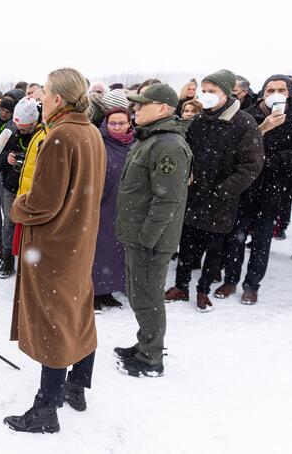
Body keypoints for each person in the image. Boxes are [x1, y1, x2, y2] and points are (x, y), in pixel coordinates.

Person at [5, 68, 106, 434]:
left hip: (55, 244)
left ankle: (46, 409)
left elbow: (43, 203)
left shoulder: (61, 136)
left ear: (59, 99)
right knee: (77, 310)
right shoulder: (91, 132)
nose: (40, 98)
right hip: (78, 239)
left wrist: (18, 206)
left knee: (53, 320)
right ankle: (76, 386)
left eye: (45, 92)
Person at [165, 70, 263, 312]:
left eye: (213, 91)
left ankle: (203, 290)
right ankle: (181, 285)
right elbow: (186, 151)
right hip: (194, 193)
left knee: (214, 248)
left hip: (221, 198)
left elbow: (252, 163)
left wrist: (225, 189)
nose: (206, 96)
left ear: (227, 92)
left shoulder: (243, 122)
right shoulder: (198, 121)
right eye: (204, 91)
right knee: (187, 244)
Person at [115, 84, 192, 377]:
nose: (135, 110)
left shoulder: (168, 144)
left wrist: (148, 238)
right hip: (139, 235)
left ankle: (151, 358)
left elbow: (167, 198)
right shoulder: (150, 139)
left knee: (148, 298)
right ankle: (144, 344)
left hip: (151, 239)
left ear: (162, 108)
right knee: (139, 294)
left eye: (141, 105)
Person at [216, 75, 292, 304]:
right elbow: (234, 148)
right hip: (245, 185)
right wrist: (263, 129)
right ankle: (230, 280)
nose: (275, 93)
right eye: (270, 89)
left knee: (262, 238)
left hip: (275, 186)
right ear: (263, 93)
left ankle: (252, 285)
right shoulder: (247, 116)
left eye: (281, 89)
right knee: (235, 237)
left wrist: (271, 161)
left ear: (290, 93)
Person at [92, 107, 136, 310]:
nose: (117, 127)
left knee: (117, 249)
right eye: (112, 123)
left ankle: (108, 289)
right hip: (102, 203)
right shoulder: (98, 143)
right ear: (105, 124)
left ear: (129, 124)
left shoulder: (135, 144)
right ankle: (94, 291)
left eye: (122, 123)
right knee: (99, 248)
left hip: (125, 206)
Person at [0, 97, 39, 278]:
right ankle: (7, 260)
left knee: (33, 226)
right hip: (12, 184)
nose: (22, 131)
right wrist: (7, 158)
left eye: (25, 128)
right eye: (19, 128)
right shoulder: (9, 131)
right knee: (10, 222)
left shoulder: (43, 133)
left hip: (34, 187)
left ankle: (30, 262)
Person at [0, 89, 24, 254]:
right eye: (1, 109)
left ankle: (5, 246)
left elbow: (10, 153)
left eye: (7, 111)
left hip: (3, 172)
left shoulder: (14, 128)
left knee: (5, 211)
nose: (3, 113)